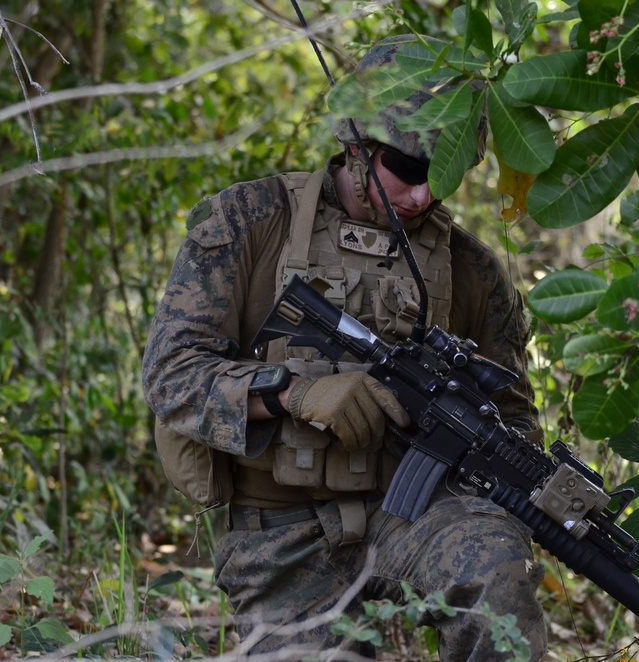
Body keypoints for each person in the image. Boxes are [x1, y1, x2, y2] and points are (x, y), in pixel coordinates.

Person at [142, 34, 547, 660]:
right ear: (356, 145)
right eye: (408, 170)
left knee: (498, 573)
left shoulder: (472, 270)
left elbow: (516, 419)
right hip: (280, 534)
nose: (423, 196)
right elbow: (171, 375)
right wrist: (294, 393)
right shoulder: (247, 221)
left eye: (445, 175)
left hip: (413, 519)